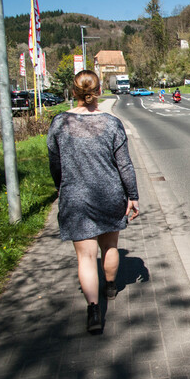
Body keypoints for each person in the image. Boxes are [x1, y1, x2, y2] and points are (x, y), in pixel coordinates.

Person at [47, 70, 140, 333]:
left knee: (86, 257)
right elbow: (125, 166)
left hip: (76, 198)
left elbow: (55, 163)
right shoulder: (112, 124)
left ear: (73, 92)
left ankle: (94, 310)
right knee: (109, 246)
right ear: (99, 91)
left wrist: (60, 186)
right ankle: (110, 287)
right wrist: (132, 196)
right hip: (110, 195)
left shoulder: (59, 123)